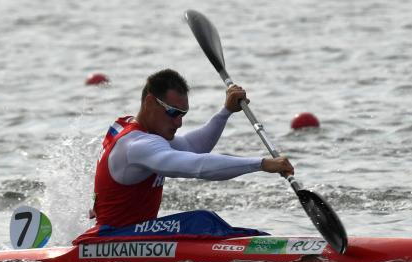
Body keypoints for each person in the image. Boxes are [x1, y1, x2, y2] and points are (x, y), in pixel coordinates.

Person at [92, 68, 294, 228]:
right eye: (173, 113)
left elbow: (192, 147)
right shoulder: (138, 145)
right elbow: (197, 165)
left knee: (203, 221)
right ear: (150, 102)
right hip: (116, 239)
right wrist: (263, 164)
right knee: (203, 221)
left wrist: (226, 112)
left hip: (127, 234)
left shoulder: (136, 130)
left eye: (183, 114)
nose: (179, 123)